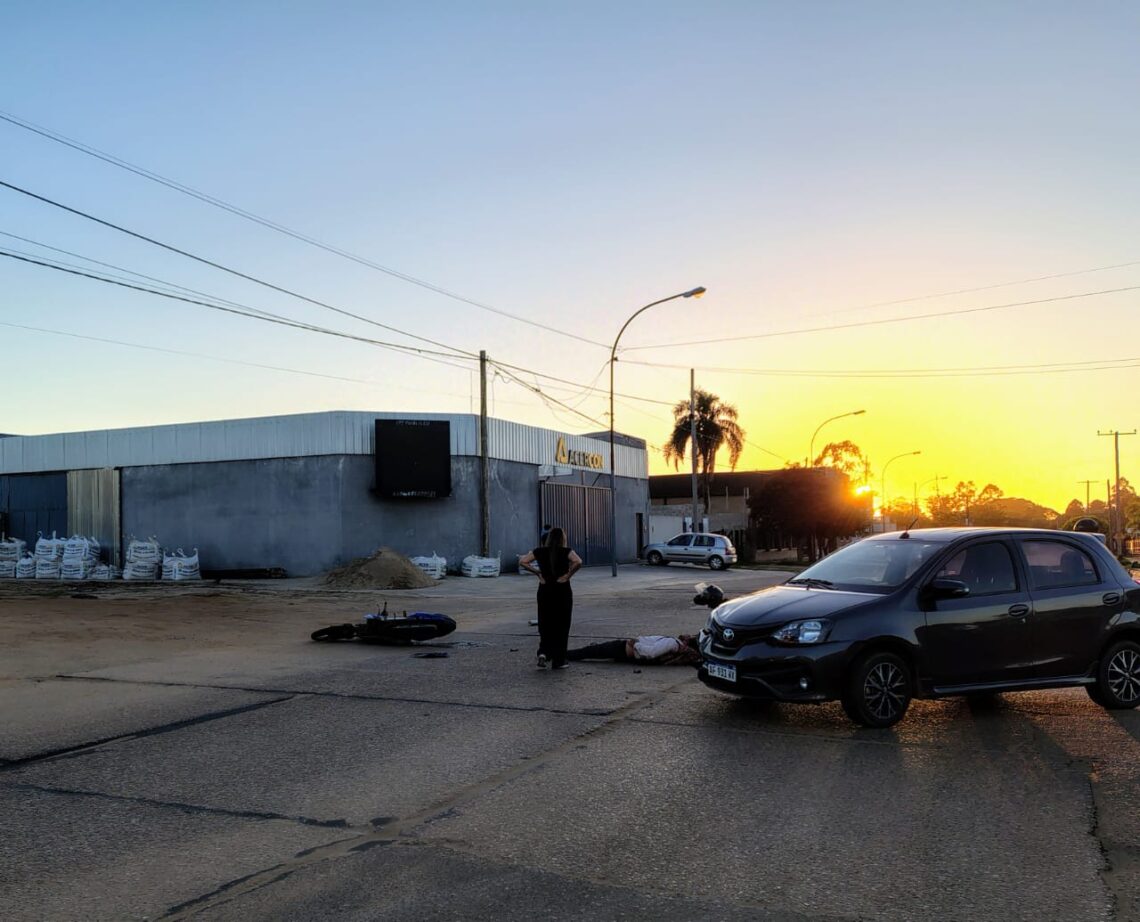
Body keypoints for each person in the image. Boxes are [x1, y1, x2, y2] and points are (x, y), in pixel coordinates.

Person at [518, 527, 582, 669]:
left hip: (545, 588)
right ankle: (559, 660)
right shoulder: (566, 551)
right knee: (562, 623)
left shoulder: (539, 551)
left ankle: (544, 652)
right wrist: (567, 575)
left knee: (545, 621)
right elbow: (578, 562)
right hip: (562, 589)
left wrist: (538, 573)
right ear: (562, 539)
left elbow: (523, 562)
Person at [566, 634, 701, 666]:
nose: (687, 634)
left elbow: (650, 653)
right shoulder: (676, 645)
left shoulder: (673, 643)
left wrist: (635, 643)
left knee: (587, 652)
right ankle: (559, 655)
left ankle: (557, 655)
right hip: (625, 652)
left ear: (688, 641)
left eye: (691, 636)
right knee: (592, 650)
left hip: (625, 648)